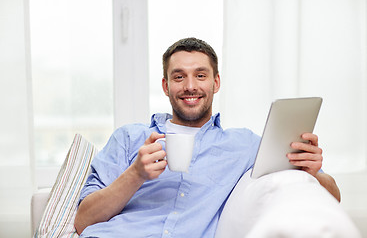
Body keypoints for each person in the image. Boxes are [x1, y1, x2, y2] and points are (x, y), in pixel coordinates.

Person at [74, 37, 340, 237]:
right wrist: (135, 175)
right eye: (179, 77)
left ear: (216, 83)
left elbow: (332, 198)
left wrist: (313, 172)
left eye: (200, 75)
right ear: (166, 86)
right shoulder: (129, 138)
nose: (190, 86)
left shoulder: (244, 145)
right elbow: (83, 220)